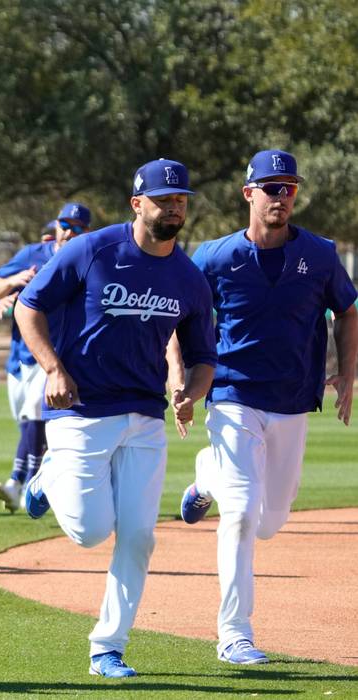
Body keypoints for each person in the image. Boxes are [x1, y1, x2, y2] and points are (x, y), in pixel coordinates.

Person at [13, 159, 217, 678]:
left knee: (139, 537)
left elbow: (204, 359)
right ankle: (49, 476)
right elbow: (27, 307)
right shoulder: (92, 250)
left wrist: (191, 394)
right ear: (137, 204)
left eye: (180, 199)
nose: (174, 206)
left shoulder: (189, 278)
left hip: (145, 416)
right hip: (81, 411)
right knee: (88, 532)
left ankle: (108, 646)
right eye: (163, 199)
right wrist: (53, 368)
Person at [177, 149, 357, 665]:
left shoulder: (320, 255)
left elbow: (347, 311)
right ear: (248, 193)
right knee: (239, 514)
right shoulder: (214, 256)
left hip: (293, 399)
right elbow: (180, 314)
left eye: (289, 188)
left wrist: (348, 373)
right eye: (271, 187)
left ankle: (205, 477)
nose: (281, 197)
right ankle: (234, 633)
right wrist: (183, 379)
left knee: (270, 520)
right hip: (232, 394)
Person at [0, 203, 91, 512]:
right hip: (19, 356)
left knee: (35, 413)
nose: (68, 231)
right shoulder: (33, 254)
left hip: (55, 355)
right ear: (56, 225)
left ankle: (22, 482)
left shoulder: (86, 261)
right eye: (64, 223)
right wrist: (13, 283)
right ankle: (31, 480)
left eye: (76, 226)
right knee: (26, 423)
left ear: (85, 232)